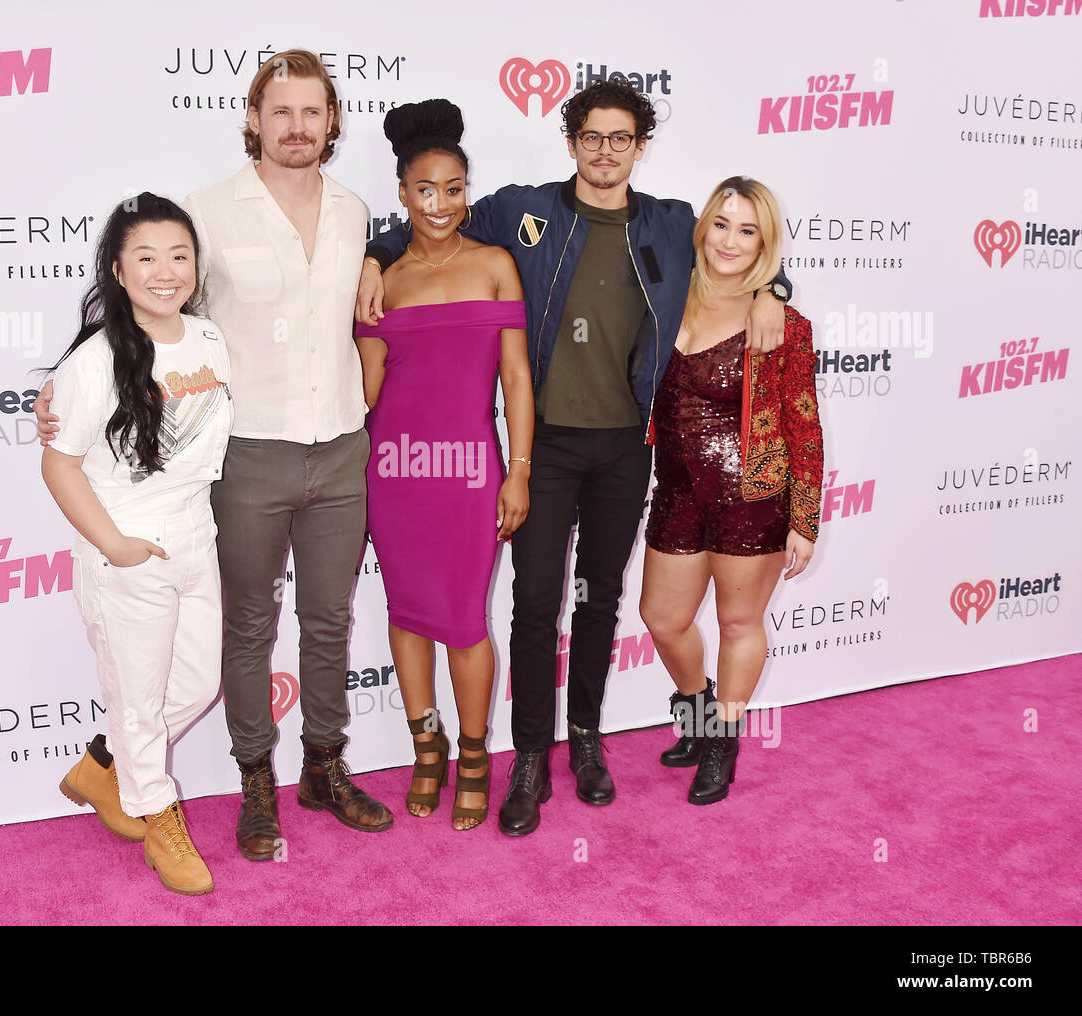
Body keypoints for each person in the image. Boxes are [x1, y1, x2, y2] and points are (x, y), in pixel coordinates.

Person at [358, 80, 793, 836]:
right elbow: (436, 221)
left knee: (595, 602)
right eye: (591, 137)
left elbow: (739, 260)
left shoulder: (669, 224)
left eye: (619, 138)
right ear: (571, 143)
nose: (604, 151)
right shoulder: (522, 210)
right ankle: (528, 756)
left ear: (639, 146)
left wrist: (773, 293)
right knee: (533, 606)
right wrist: (374, 251)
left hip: (627, 446)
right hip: (545, 445)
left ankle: (584, 740)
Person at [38, 51, 393, 861]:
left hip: (340, 445)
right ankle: (256, 782)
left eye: (312, 112)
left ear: (332, 122)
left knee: (331, 618)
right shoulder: (208, 211)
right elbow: (156, 309)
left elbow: (388, 258)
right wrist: (71, 378)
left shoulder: (354, 210)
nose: (296, 127)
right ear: (254, 120)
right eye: (281, 112)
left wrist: (379, 256)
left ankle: (325, 766)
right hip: (246, 455)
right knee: (247, 626)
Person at [43, 192, 232, 895]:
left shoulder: (209, 339)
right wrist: (115, 546)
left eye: (178, 255)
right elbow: (58, 464)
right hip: (126, 546)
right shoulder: (95, 363)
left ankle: (101, 765)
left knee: (197, 683)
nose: (165, 270)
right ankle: (158, 817)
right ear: (117, 272)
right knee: (139, 701)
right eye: (145, 257)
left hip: (194, 537)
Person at [354, 99, 532, 831]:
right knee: (407, 614)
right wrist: (356, 318)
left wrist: (517, 470)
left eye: (454, 188)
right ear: (401, 195)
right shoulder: (383, 280)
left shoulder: (496, 265)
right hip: (393, 473)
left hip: (469, 473)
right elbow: (367, 391)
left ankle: (474, 754)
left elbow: (517, 378)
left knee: (462, 619)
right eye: (424, 190)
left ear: (467, 189)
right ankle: (425, 748)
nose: (440, 204)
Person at [639, 176, 823, 805]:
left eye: (748, 230)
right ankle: (694, 710)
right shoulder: (663, 296)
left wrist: (805, 519)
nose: (730, 240)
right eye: (721, 223)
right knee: (662, 619)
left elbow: (804, 424)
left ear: (765, 242)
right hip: (677, 491)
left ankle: (723, 734)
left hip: (754, 497)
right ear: (702, 226)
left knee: (738, 620)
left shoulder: (781, 324)